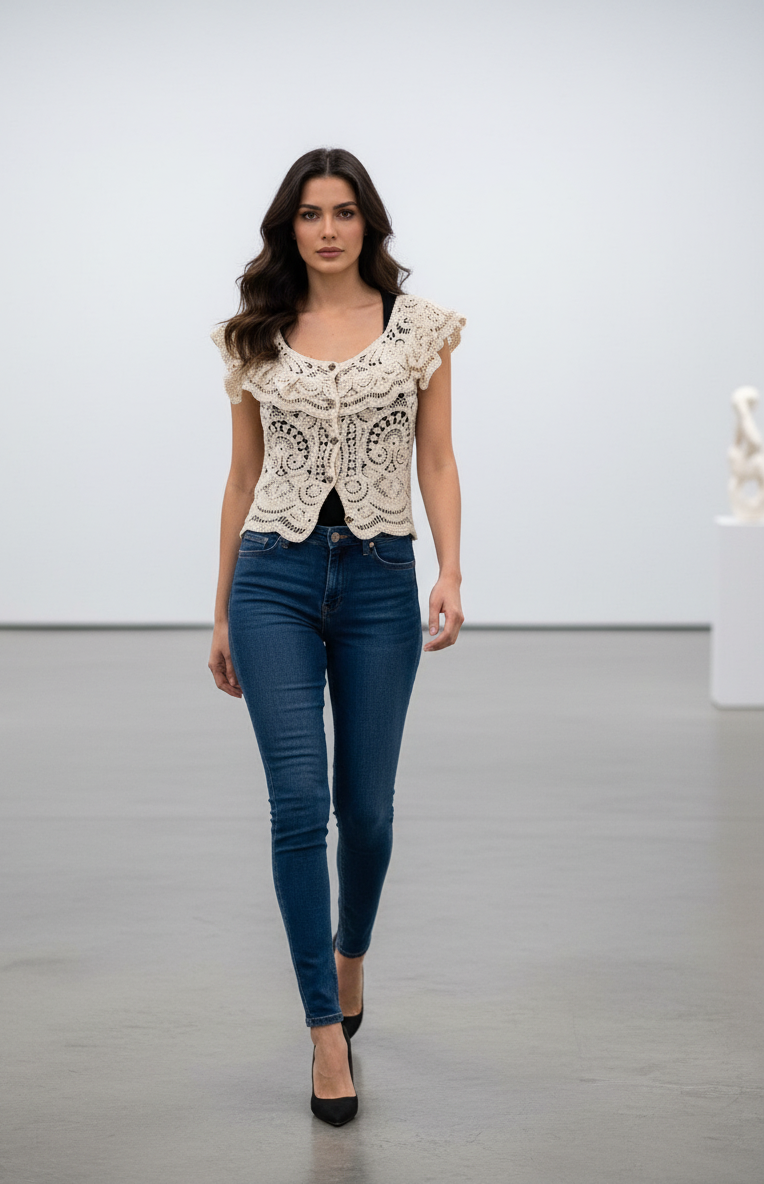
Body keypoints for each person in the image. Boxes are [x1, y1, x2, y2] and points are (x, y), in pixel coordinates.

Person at [208, 147, 465, 1126]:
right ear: (290, 225)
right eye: (310, 213)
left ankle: (351, 951)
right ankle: (325, 1030)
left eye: (344, 211)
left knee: (368, 814)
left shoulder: (420, 329)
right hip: (271, 579)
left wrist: (449, 569)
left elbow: (436, 458)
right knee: (296, 808)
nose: (327, 229)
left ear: (368, 222)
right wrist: (221, 608)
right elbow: (241, 478)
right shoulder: (253, 336)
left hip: (381, 581)